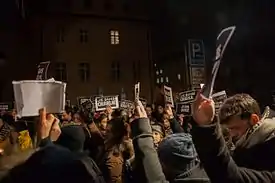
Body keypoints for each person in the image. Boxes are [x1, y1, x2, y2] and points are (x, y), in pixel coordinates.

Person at [191, 93, 275, 182]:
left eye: (234, 128)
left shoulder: (270, 149)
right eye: (228, 130)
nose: (231, 134)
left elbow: (232, 176)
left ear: (254, 120)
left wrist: (207, 126)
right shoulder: (242, 149)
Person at [130, 100, 209, 183]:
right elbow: (184, 142)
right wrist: (171, 118)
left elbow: (154, 176)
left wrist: (142, 129)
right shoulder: (213, 175)